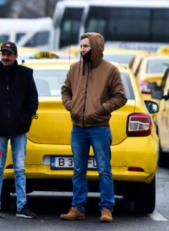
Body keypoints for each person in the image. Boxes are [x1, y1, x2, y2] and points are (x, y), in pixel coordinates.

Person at [60, 32, 127, 222]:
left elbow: (120, 97)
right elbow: (65, 90)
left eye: (86, 46)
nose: (82, 50)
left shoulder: (110, 70)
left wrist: (100, 110)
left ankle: (106, 209)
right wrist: (71, 106)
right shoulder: (74, 68)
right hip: (78, 129)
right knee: (78, 170)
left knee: (104, 169)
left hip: (100, 128)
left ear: (96, 47)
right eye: (81, 46)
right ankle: (77, 208)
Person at [0, 42, 39, 219]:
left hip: (19, 129)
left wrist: (24, 118)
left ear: (15, 56)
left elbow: (33, 101)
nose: (5, 57)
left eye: (9, 54)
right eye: (3, 54)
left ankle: (22, 207)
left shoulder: (26, 74)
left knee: (19, 168)